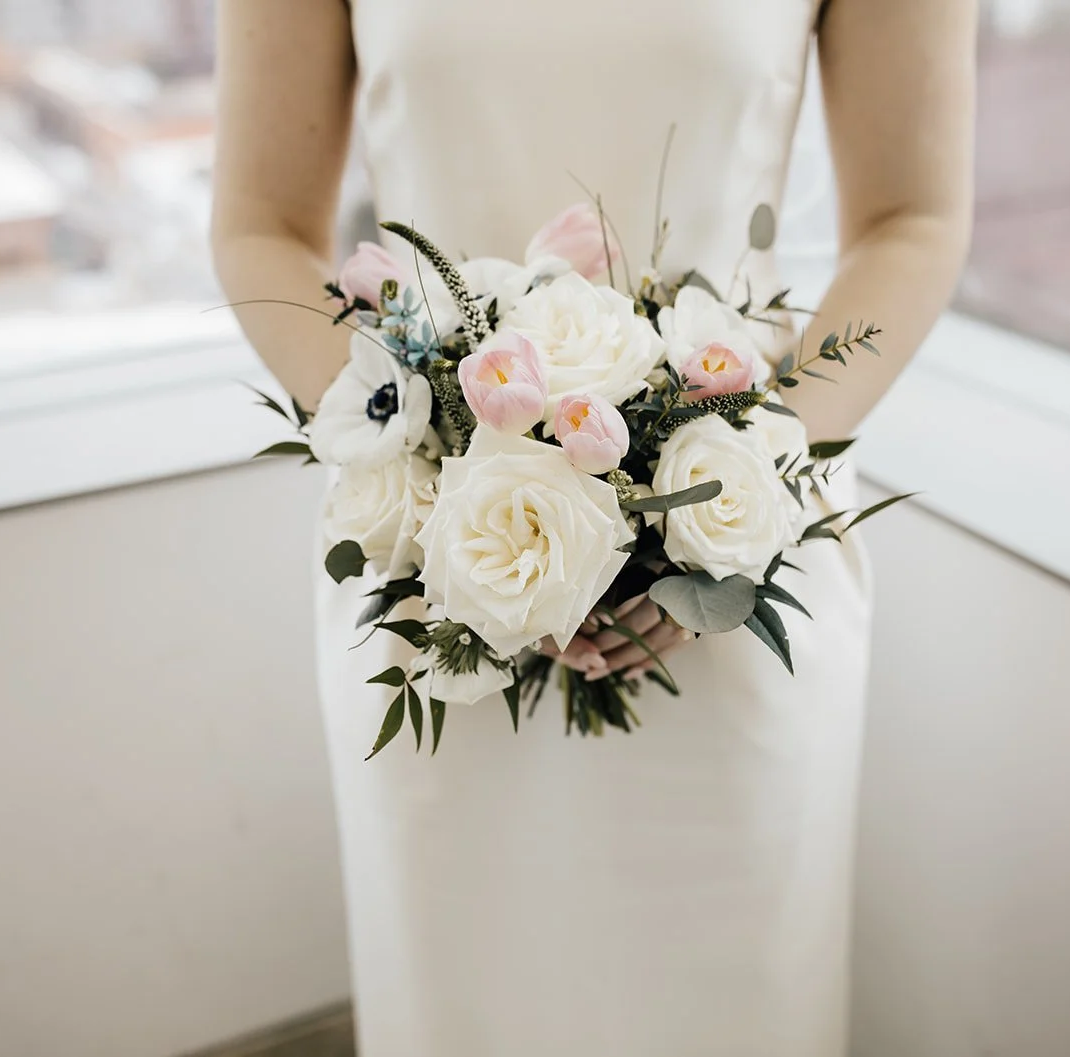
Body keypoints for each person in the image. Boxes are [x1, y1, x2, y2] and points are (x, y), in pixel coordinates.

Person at [212, 2, 974, 1053]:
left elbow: (913, 218)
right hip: (439, 583)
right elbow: (260, 222)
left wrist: (727, 503)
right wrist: (444, 494)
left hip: (732, 582)